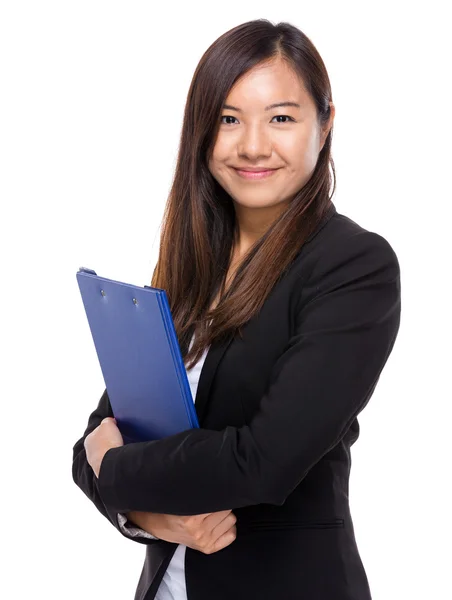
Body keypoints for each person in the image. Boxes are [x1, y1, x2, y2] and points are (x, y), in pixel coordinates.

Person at [72, 18, 401, 600]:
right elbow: (99, 434)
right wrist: (147, 517)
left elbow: (263, 462)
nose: (252, 145)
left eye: (281, 118)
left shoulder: (353, 266)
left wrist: (114, 467)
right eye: (228, 119)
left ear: (325, 124)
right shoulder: (190, 265)